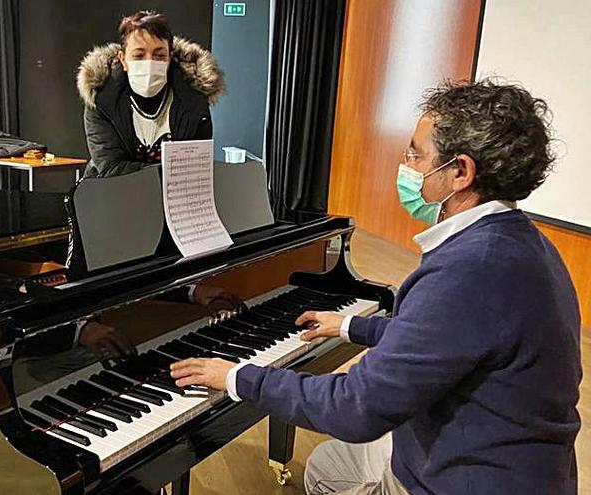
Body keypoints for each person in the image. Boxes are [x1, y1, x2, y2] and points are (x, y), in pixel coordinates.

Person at [168, 79, 581, 494]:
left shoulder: (470, 269)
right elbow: (443, 341)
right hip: (505, 461)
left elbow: (355, 408)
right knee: (329, 462)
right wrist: (351, 326)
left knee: (332, 470)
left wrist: (239, 377)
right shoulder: (522, 243)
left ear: (460, 171)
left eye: (415, 154)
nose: (406, 164)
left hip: (461, 480)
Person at [77, 10, 224, 178]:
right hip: (111, 193)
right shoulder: (101, 100)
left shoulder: (195, 100)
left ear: (170, 57)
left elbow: (195, 167)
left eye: (159, 55)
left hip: (171, 200)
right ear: (123, 59)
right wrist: (170, 173)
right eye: (139, 55)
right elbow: (111, 168)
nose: (149, 62)